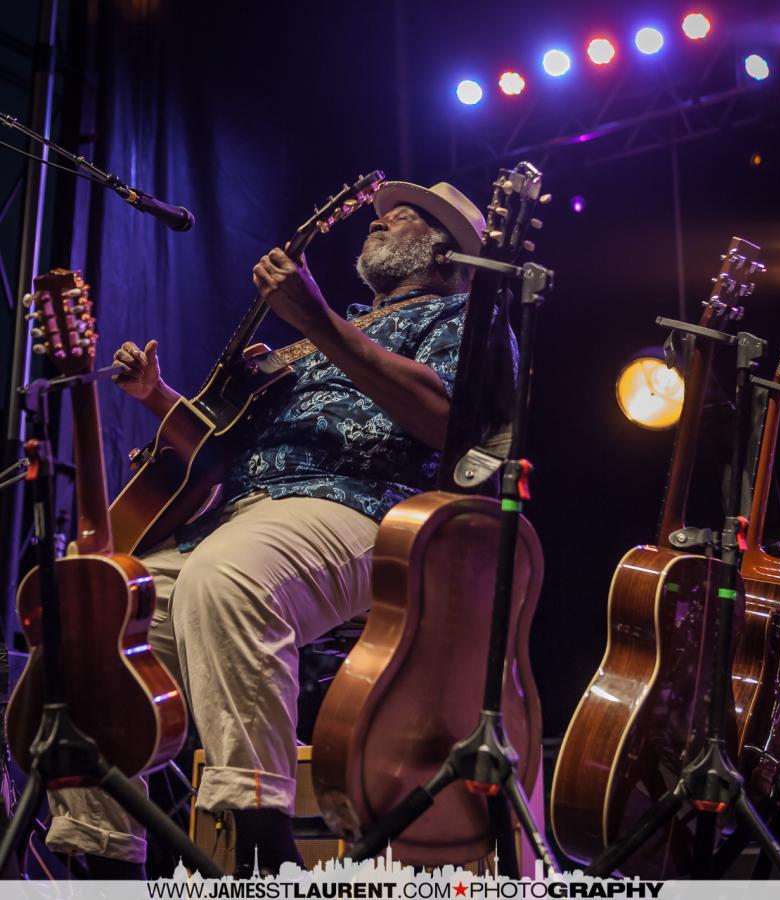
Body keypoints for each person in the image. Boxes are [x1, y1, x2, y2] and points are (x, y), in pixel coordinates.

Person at [44, 181, 486, 878]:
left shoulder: (460, 317)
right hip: (238, 515)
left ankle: (263, 855)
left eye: (404, 217)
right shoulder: (312, 344)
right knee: (96, 616)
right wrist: (157, 397)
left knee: (228, 578)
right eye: (380, 215)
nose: (379, 222)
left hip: (360, 507)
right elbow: (216, 450)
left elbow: (445, 421)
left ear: (445, 253)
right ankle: (106, 867)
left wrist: (316, 319)